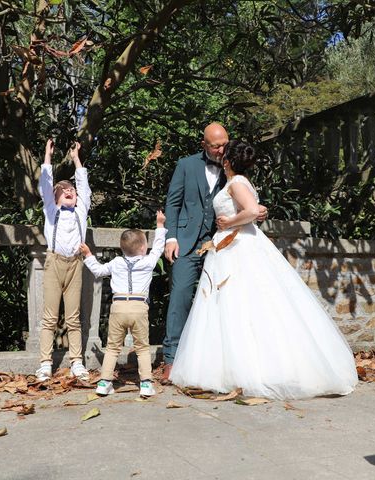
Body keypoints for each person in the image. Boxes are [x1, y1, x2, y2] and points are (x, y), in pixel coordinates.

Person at [169, 140, 359, 399]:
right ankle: (229, 369)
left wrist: (229, 222)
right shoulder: (240, 182)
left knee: (241, 304)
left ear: (227, 161)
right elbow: (254, 210)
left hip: (238, 245)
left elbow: (250, 211)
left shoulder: (236, 183)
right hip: (232, 246)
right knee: (231, 307)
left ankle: (250, 370)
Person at [161, 123, 267, 382]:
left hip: (226, 244)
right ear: (204, 145)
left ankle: (221, 362)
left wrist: (259, 211)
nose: (221, 150)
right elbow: (173, 203)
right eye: (216, 145)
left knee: (225, 301)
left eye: (224, 144)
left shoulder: (234, 168)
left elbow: (245, 203)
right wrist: (171, 237)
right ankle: (171, 360)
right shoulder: (186, 165)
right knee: (181, 295)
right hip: (187, 242)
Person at [80, 211, 167, 397]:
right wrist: (159, 226)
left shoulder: (116, 262)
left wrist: (88, 255)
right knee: (142, 347)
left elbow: (98, 270)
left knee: (112, 347)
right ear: (143, 248)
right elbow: (159, 248)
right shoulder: (148, 261)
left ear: (122, 248)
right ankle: (145, 384)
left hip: (118, 306)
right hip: (138, 307)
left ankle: (104, 383)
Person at [35, 139, 91, 382]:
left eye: (72, 190)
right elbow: (46, 186)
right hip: (54, 263)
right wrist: (47, 157)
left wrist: (76, 159)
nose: (70, 191)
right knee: (49, 317)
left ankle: (77, 361)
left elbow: (84, 186)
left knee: (74, 317)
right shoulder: (51, 211)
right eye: (63, 190)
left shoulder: (80, 211)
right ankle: (45, 363)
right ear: (55, 197)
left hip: (75, 264)